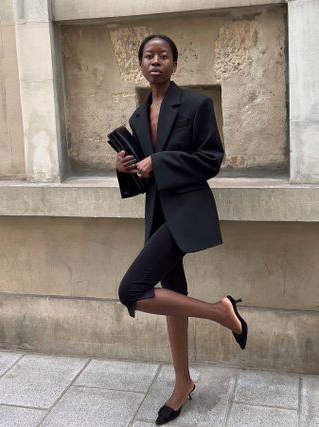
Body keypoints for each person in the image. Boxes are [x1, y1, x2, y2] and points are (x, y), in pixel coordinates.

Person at [115, 34, 248, 426]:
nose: (155, 61)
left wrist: (160, 160)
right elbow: (145, 178)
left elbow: (211, 160)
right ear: (139, 64)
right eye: (148, 56)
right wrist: (127, 170)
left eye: (164, 55)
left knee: (132, 291)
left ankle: (222, 313)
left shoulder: (196, 105)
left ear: (174, 63)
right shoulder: (138, 118)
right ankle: (183, 382)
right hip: (158, 214)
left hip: (186, 213)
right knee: (173, 294)